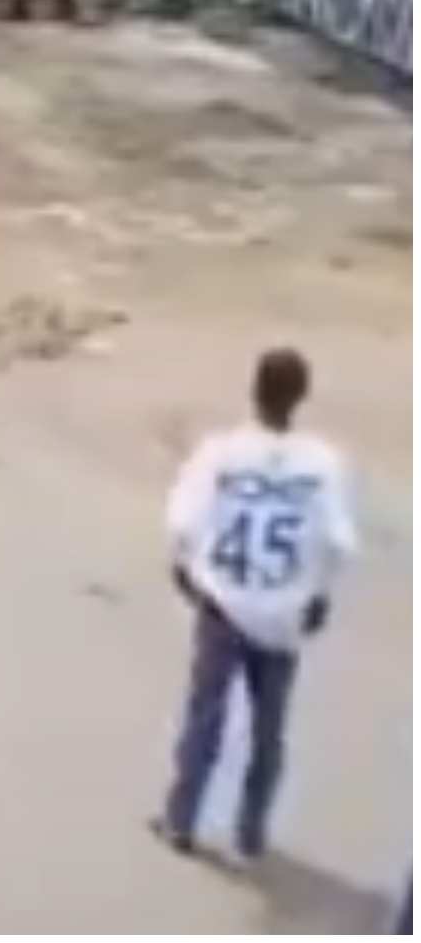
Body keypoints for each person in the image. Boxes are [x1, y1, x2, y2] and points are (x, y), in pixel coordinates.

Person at [151, 347, 359, 860]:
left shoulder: (220, 452)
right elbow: (338, 542)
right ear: (301, 397)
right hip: (283, 610)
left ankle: (182, 819)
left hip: (224, 601)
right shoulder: (324, 463)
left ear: (254, 389)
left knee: (206, 715)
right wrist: (319, 595)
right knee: (270, 731)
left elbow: (182, 520)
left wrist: (182, 565)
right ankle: (251, 832)